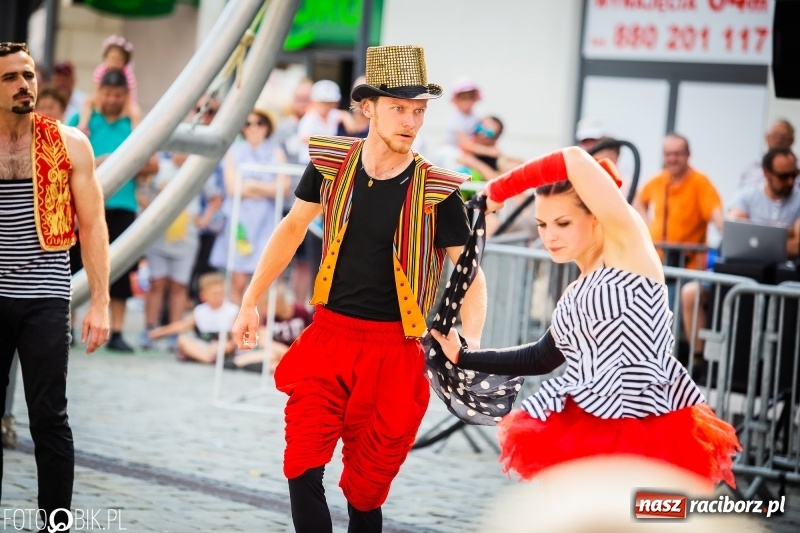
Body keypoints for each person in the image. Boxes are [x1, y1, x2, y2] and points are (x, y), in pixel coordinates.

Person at [231, 45, 487, 533]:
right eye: (399, 108)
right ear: (368, 106)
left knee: (366, 492)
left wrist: (468, 338)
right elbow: (290, 230)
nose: (410, 121)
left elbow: (471, 274)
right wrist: (250, 301)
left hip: (395, 353)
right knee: (302, 461)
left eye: (418, 111)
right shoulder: (330, 164)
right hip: (327, 339)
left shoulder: (438, 188)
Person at [430, 146, 740, 488]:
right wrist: (464, 356)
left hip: (646, 423)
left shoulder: (628, 249)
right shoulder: (575, 290)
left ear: (597, 216)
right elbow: (541, 356)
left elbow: (575, 159)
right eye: (542, 224)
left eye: (563, 223)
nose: (549, 236)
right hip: (585, 423)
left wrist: (499, 190)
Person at [0, 41, 110, 528]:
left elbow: (93, 224)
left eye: (28, 75)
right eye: (10, 78)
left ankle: (56, 524)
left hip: (46, 294)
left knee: (49, 417)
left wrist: (100, 303)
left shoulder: (69, 143)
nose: (24, 86)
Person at [680, 147, 800, 375]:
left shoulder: (798, 200)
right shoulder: (747, 196)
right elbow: (734, 232)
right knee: (691, 293)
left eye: (794, 175)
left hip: (778, 284)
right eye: (783, 176)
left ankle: (775, 373)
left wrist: (759, 235)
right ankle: (699, 362)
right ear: (766, 173)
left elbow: (797, 246)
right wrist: (783, 235)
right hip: (736, 275)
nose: (790, 182)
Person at [68, 69, 159, 352]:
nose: (111, 99)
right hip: (84, 203)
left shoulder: (133, 124)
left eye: (117, 95)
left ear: (125, 96)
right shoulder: (82, 121)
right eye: (107, 94)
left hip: (122, 204)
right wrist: (94, 163)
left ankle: (116, 330)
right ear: (99, 93)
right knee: (72, 264)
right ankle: (68, 326)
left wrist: (120, 163)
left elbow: (153, 164)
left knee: (118, 269)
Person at [209, 107, 290, 304]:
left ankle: (258, 329)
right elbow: (232, 188)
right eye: (248, 123)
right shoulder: (234, 151)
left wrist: (251, 185)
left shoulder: (276, 152)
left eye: (259, 123)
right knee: (237, 280)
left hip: (266, 223)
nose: (253, 128)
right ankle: (236, 329)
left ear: (267, 127)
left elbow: (285, 187)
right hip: (240, 224)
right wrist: (268, 187)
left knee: (265, 280)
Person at [633, 133, 723, 270]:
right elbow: (638, 199)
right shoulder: (658, 180)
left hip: (688, 267)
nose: (672, 159)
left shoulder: (701, 182)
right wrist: (646, 226)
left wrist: (728, 232)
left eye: (677, 154)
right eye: (668, 154)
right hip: (657, 263)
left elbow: (716, 214)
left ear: (688, 154)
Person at [148, 272, 239, 364]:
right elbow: (183, 325)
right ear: (203, 296)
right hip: (204, 344)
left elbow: (236, 338)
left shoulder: (232, 310)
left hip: (224, 345)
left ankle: (201, 357)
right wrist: (161, 332)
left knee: (225, 346)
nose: (219, 297)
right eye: (215, 294)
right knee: (182, 340)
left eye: (221, 293)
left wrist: (228, 345)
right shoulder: (200, 311)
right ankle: (209, 359)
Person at [76, 35, 141, 134]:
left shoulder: (128, 73)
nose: (115, 62)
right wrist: (99, 103)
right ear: (106, 58)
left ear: (125, 61)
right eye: (112, 58)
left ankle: (136, 133)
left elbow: (131, 92)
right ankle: (83, 125)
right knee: (87, 101)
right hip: (99, 97)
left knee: (136, 111)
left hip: (127, 101)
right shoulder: (100, 70)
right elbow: (96, 89)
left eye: (119, 59)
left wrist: (126, 108)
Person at [740, 119, 795, 189]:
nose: (778, 141)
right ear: (767, 138)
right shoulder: (753, 169)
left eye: (783, 137)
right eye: (775, 136)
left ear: (792, 140)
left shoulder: (796, 168)